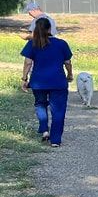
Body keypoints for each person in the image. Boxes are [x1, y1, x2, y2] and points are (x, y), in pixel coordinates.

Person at [20, 17, 74, 147]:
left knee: (40, 104)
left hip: (38, 82)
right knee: (58, 111)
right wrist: (70, 74)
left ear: (36, 29)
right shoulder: (61, 44)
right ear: (50, 28)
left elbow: (28, 62)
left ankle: (44, 130)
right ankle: (55, 140)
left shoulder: (32, 44)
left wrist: (24, 78)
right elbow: (67, 62)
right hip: (58, 82)